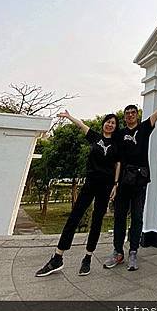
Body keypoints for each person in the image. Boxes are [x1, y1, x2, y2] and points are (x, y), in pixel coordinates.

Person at [35, 110, 120, 277]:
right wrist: (69, 117)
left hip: (106, 186)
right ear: (104, 123)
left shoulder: (117, 144)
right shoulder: (95, 137)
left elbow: (118, 164)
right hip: (90, 184)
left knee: (97, 221)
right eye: (108, 121)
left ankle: (87, 258)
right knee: (74, 217)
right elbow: (82, 125)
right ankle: (57, 258)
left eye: (113, 123)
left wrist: (116, 185)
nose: (110, 125)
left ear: (115, 127)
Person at [104, 91, 157, 271]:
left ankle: (133, 252)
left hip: (140, 179)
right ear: (124, 117)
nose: (130, 115)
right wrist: (114, 183)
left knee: (137, 217)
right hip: (123, 181)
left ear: (137, 115)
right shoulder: (120, 133)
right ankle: (118, 252)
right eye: (127, 113)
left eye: (133, 112)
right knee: (119, 217)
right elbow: (114, 154)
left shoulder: (144, 128)